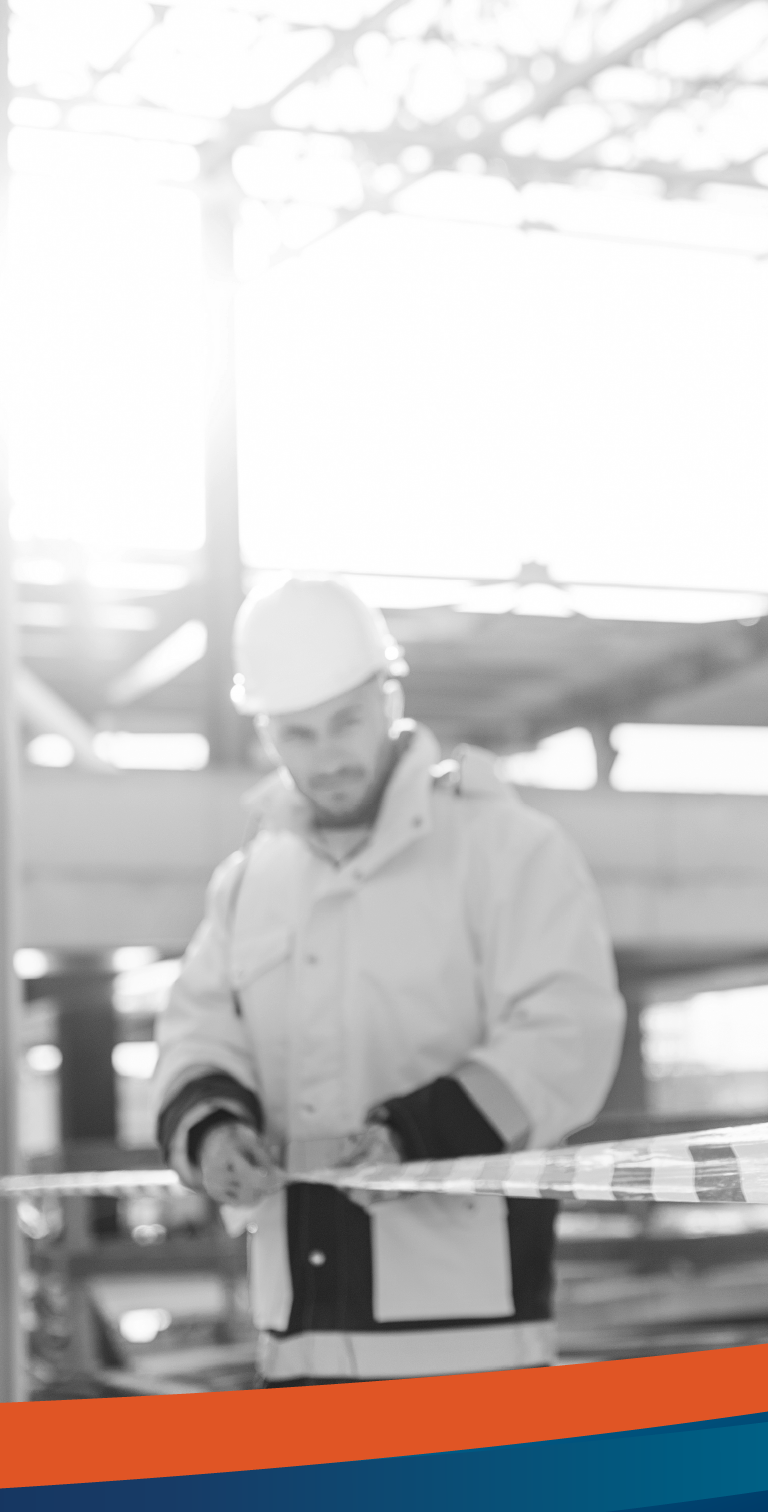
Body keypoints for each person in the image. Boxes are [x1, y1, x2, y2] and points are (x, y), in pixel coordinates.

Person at [152, 576, 626, 1380]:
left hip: (466, 1350)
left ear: (389, 696)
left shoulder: (506, 849)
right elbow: (196, 1033)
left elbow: (567, 1035)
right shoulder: (247, 882)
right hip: (296, 1338)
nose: (328, 755)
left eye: (346, 721)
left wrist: (417, 1137)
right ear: (266, 733)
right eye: (298, 734)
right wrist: (213, 1129)